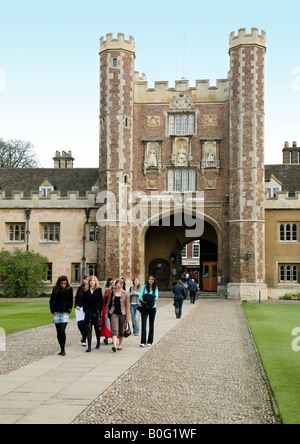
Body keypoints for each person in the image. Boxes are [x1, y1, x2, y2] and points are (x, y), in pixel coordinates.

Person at [50, 276, 73, 356]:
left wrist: (69, 310)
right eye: (62, 284)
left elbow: (71, 300)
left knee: (62, 330)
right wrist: (53, 311)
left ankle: (63, 350)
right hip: (57, 312)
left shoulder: (69, 289)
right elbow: (51, 300)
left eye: (64, 284)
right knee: (58, 332)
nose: (63, 285)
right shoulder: (55, 289)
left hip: (64, 313)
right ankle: (61, 348)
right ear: (59, 283)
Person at [106, 279, 130, 353]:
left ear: (122, 285)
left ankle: (120, 345)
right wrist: (106, 313)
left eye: (120, 284)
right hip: (114, 313)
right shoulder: (112, 292)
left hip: (122, 314)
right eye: (117, 283)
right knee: (114, 330)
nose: (118, 285)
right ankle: (114, 346)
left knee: (121, 331)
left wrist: (128, 317)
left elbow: (127, 306)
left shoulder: (125, 293)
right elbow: (108, 303)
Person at [83, 276, 103, 353]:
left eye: (93, 281)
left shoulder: (98, 290)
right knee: (88, 328)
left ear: (95, 282)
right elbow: (83, 301)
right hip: (88, 311)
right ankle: (89, 346)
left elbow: (101, 302)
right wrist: (85, 309)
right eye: (91, 281)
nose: (92, 282)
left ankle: (98, 342)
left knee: (96, 328)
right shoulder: (86, 290)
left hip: (95, 311)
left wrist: (99, 311)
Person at [139, 275, 158, 347]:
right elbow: (141, 296)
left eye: (152, 279)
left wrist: (146, 296)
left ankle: (150, 341)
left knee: (151, 325)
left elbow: (156, 297)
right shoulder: (144, 287)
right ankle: (143, 341)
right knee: (144, 324)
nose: (150, 280)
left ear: (154, 280)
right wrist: (149, 298)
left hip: (152, 307)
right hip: (144, 307)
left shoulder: (155, 288)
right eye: (149, 279)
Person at [75, 275, 90, 347]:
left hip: (87, 309)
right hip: (80, 309)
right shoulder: (80, 288)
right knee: (80, 325)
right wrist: (77, 305)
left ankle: (84, 340)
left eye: (87, 279)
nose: (85, 281)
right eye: (84, 279)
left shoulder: (90, 289)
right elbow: (76, 298)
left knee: (85, 325)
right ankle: (84, 335)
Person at [101, 278, 114, 345]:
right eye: (112, 283)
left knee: (113, 324)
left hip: (114, 310)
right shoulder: (107, 291)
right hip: (106, 309)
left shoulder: (117, 291)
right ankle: (106, 338)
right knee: (106, 324)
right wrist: (103, 309)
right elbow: (104, 301)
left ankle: (113, 338)